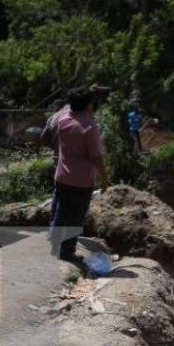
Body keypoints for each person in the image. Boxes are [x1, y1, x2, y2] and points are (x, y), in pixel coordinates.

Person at [41, 86, 109, 263]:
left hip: (62, 176)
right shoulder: (89, 127)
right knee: (74, 218)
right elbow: (97, 157)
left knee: (60, 212)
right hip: (81, 181)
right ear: (89, 105)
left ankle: (54, 245)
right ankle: (67, 252)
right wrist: (104, 179)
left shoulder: (63, 121)